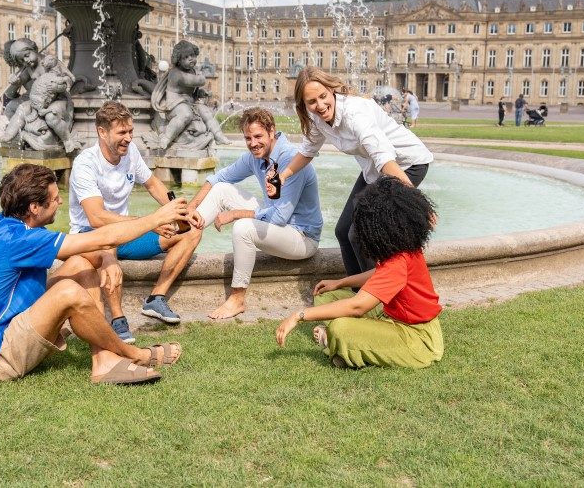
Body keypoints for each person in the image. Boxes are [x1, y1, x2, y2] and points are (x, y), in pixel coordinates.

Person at [0, 163, 188, 384]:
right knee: (68, 292)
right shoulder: (20, 240)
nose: (60, 202)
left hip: (10, 329)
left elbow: (88, 247)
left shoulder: (6, 224)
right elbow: (103, 237)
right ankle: (135, 354)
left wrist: (108, 258)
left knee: (79, 264)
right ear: (34, 207)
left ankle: (104, 361)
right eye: (55, 198)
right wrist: (155, 219)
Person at [279, 66, 434, 277]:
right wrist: (283, 175)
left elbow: (384, 159)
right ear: (304, 103)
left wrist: (420, 204)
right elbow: (308, 151)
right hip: (375, 171)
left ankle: (375, 296)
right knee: (343, 231)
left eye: (323, 96)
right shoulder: (315, 116)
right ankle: (355, 292)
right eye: (312, 101)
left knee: (360, 233)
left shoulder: (355, 114)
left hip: (406, 165)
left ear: (332, 90)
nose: (320, 105)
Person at [276, 177, 443, 370]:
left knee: (340, 328)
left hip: (419, 340)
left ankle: (337, 341)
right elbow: (377, 274)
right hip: (391, 317)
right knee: (327, 295)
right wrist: (339, 283)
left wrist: (298, 315)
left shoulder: (399, 261)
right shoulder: (403, 249)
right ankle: (346, 342)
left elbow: (358, 306)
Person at [69, 101, 202, 343]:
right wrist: (152, 221)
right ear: (102, 132)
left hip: (126, 234)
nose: (129, 138)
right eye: (122, 132)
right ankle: (118, 320)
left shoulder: (130, 153)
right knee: (108, 246)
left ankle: (156, 299)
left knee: (190, 232)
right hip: (90, 235)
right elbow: (96, 217)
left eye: (131, 131)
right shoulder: (85, 163)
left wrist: (180, 212)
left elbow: (152, 183)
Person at [187, 107, 323, 319]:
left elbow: (279, 217)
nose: (253, 143)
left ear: (272, 132)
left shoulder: (291, 160)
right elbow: (219, 177)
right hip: (279, 224)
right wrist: (191, 208)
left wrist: (234, 214)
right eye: (248, 138)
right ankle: (183, 236)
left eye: (258, 136)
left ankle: (237, 299)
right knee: (221, 189)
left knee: (243, 227)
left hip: (302, 237)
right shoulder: (255, 157)